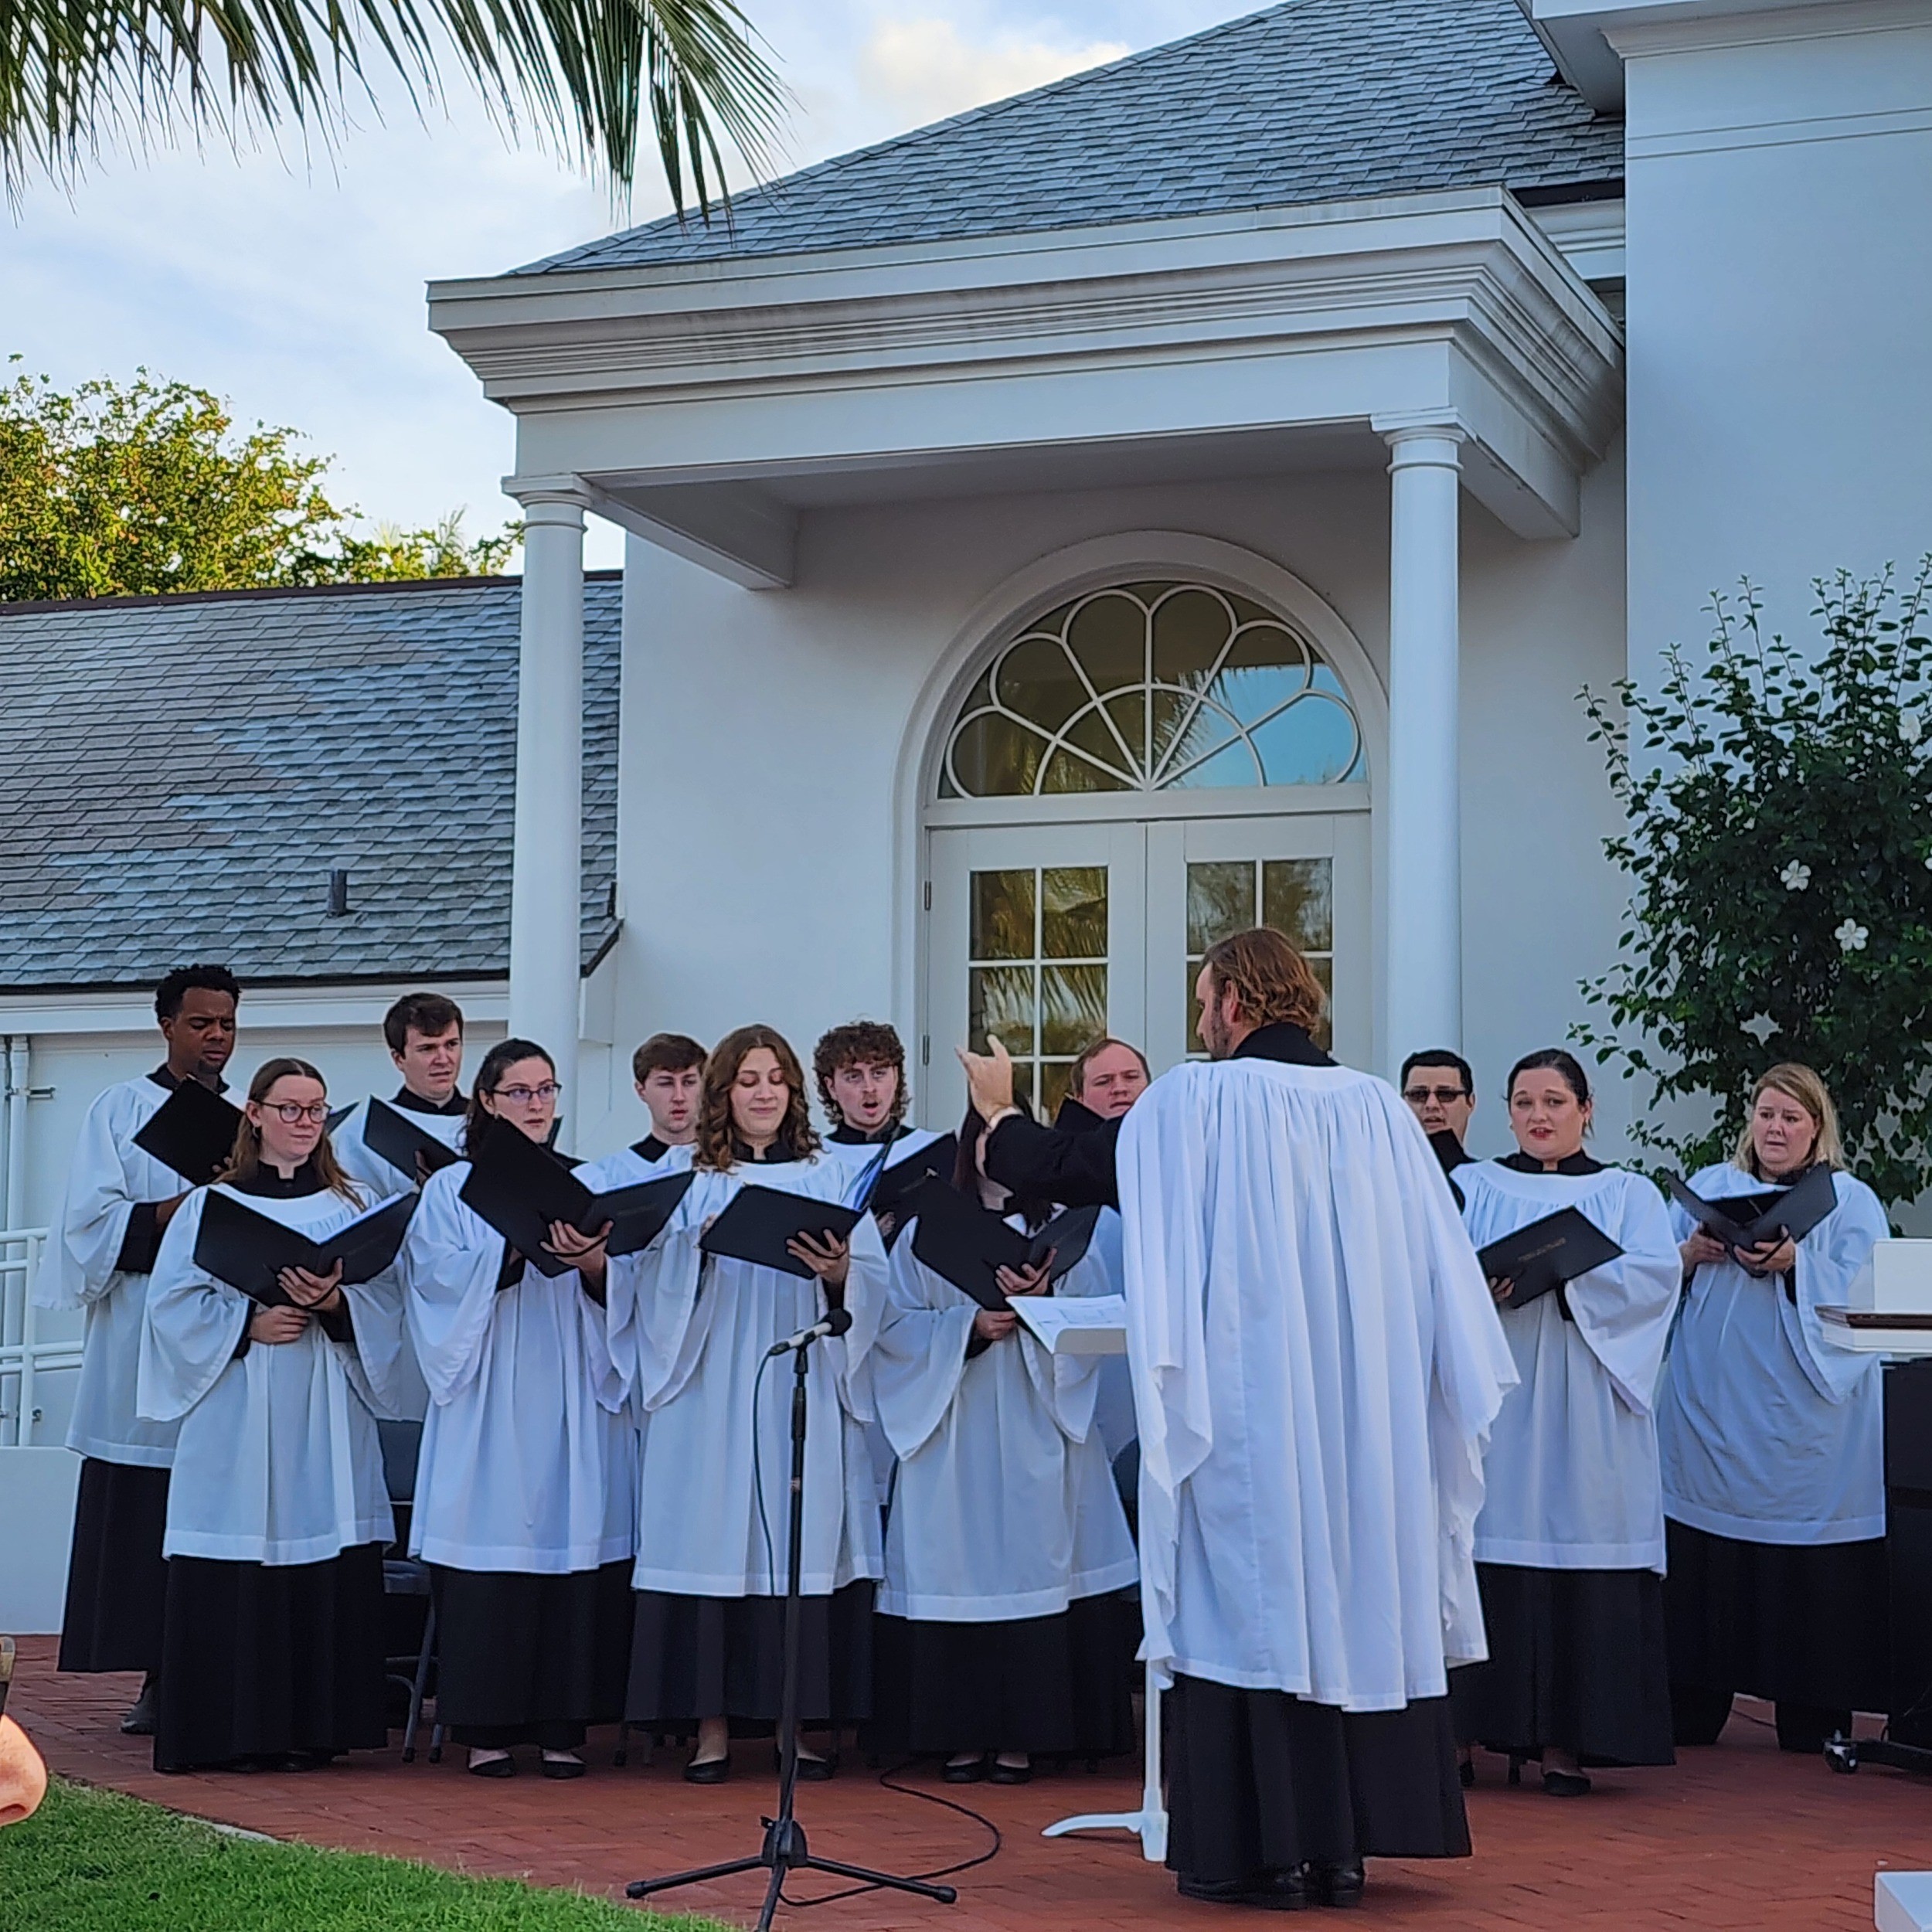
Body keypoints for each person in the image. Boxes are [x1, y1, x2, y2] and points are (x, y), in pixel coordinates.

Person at [962, 929, 1516, 1912]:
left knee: (1253, 1599)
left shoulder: (1195, 1099)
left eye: (1204, 994)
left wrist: (997, 1110)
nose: (1201, 1014)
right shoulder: (1378, 1110)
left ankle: (1261, 1852)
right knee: (1350, 1596)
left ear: (1230, 1000)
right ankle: (1346, 1850)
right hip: (1360, 1412)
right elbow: (1440, 1271)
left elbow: (1077, 1166)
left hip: (1251, 1408)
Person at [607, 1026, 886, 1783]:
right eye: (747, 1079)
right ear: (722, 1092)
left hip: (803, 1372)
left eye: (776, 1079)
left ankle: (794, 1726)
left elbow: (873, 1286)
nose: (763, 1092)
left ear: (794, 1092)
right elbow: (643, 1294)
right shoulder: (688, 1177)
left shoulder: (830, 1174)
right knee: (711, 1537)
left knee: (796, 1540)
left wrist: (838, 1275)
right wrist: (689, 1257)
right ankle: (710, 1728)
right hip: (709, 1381)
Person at [137, 1059, 406, 1773]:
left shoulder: (352, 1206)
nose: (303, 1122)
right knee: (239, 1547)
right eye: (288, 1109)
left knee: (322, 1542)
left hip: (323, 1403)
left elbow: (390, 1304)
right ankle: (229, 1733)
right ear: (253, 1115)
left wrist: (336, 1306)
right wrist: (242, 1326)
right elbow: (168, 1307)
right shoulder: (207, 1206)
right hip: (239, 1404)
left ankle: (311, 1730)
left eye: (316, 1109)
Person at [868, 1108, 1138, 1784]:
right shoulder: (922, 1234)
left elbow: (1097, 1323)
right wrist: (967, 1327)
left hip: (1035, 1419)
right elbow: (892, 1328)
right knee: (956, 1569)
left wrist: (1042, 1300)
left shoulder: (1065, 1230)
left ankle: (1023, 1737)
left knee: (1033, 1562)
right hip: (954, 1422)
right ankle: (958, 1736)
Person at [403, 1039, 634, 1779]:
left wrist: (594, 1263)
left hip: (570, 1392)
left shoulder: (589, 1182)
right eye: (519, 1093)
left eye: (545, 1091)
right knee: (490, 1547)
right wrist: (512, 1250)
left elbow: (626, 1295)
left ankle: (562, 1728)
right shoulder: (453, 1189)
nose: (536, 1105)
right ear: (488, 1103)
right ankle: (486, 1728)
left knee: (570, 1548)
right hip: (488, 1398)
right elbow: (433, 1285)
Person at [1451, 1050, 1680, 1794]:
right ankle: (1460, 1732)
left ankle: (1565, 1742)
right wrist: (1477, 1285)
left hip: (1589, 1399)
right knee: (1478, 1547)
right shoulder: (1470, 1186)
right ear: (1505, 1111)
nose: (1539, 1116)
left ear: (1586, 1110)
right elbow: (1433, 1271)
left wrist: (1571, 1275)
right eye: (1524, 1103)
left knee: (1580, 1550)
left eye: (1555, 1101)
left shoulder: (1626, 1193)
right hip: (1497, 1398)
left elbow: (1655, 1280)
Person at [1656, 1064, 1890, 1755]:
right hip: (1713, 1408)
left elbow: (1869, 1298)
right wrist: (1690, 1254)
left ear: (1817, 1127)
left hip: (1805, 1423)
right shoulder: (1713, 1186)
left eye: (1790, 1117)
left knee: (1807, 1576)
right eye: (1765, 1115)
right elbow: (1652, 1280)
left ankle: (1811, 1714)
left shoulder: (1849, 1200)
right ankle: (1694, 1705)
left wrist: (1797, 1267)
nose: (1775, 1129)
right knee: (1704, 1561)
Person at [37, 962, 240, 1736]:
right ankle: (156, 1673)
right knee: (144, 1518)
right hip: (139, 1338)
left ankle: (212, 1670)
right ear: (166, 1024)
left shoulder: (252, 1118)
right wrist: (178, 1210)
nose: (216, 1036)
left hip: (222, 1342)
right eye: (200, 1022)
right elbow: (86, 1228)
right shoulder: (119, 1110)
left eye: (226, 1023)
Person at [332, 992, 468, 1201]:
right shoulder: (363, 1135)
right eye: (428, 1049)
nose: (443, 1059)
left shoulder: (490, 1122)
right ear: (398, 1059)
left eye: (451, 1045)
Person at [812, 1019, 947, 1208]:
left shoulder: (936, 1149)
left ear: (896, 1076)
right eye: (854, 1077)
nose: (869, 1088)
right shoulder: (814, 1163)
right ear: (832, 1087)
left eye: (878, 1074)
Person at [576, 1034, 706, 1193]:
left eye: (689, 1082)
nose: (679, 1097)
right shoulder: (611, 1175)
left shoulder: (730, 1169)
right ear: (641, 1091)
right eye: (666, 1083)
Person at [1401, 1049, 1478, 1202]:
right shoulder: (1381, 1181)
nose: (1431, 1105)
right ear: (1401, 1102)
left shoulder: (1489, 1185)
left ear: (1471, 1102)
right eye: (1418, 1095)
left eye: (1446, 1095)